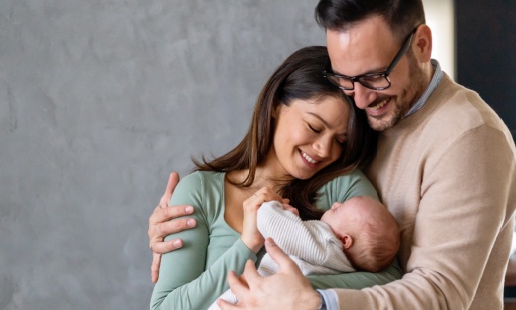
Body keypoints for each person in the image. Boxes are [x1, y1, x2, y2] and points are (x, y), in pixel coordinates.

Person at [150, 0, 516, 309]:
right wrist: (185, 232)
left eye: (374, 76)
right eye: (347, 80)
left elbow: (441, 294)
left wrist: (316, 302)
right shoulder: (376, 118)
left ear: (422, 45)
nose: (359, 99)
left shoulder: (469, 139)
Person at [149, 46, 402, 310]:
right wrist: (247, 244)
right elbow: (165, 307)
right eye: (314, 127)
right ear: (277, 106)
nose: (325, 150)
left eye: (340, 141)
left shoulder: (344, 187)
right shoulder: (201, 192)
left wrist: (291, 295)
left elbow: (391, 280)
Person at [208, 196, 400, 309]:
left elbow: (271, 223)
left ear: (344, 240)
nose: (335, 204)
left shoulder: (327, 243)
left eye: (340, 209)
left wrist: (274, 206)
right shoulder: (342, 266)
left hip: (255, 294)